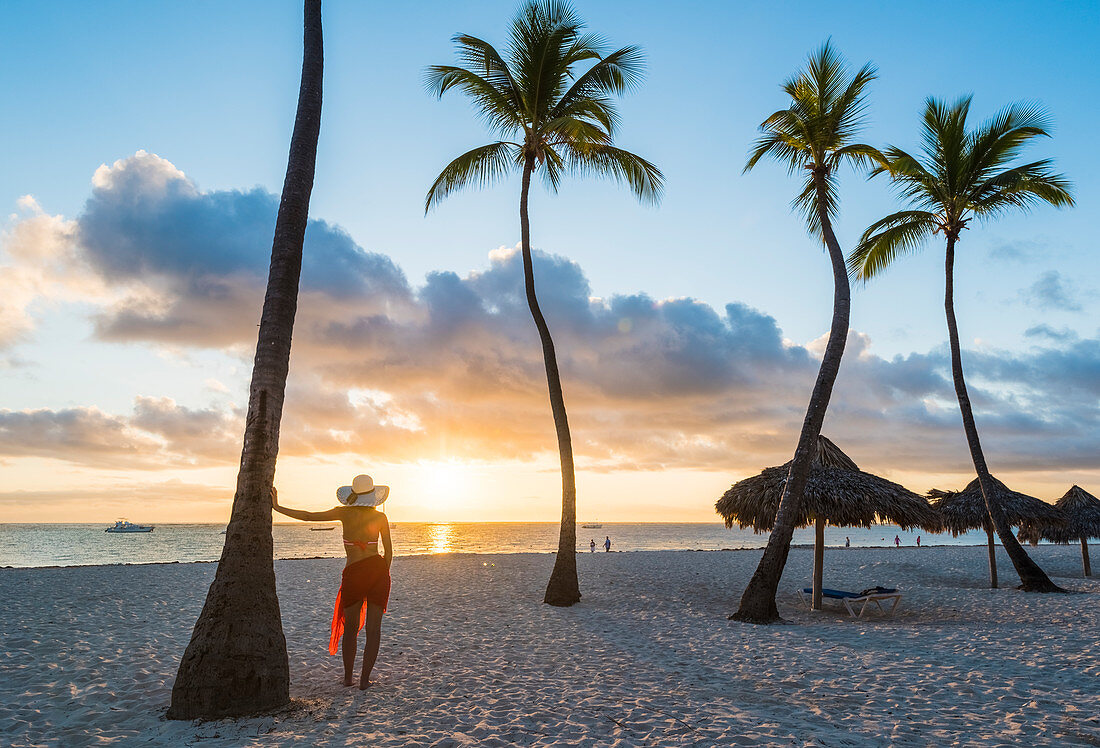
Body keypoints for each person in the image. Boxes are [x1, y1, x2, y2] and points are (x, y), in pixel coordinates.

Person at [272, 474, 392, 690]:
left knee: (351, 628)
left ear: (353, 494)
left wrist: (278, 508)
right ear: (373, 496)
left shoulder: (343, 513)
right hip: (378, 572)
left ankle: (348, 679)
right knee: (374, 631)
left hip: (354, 573)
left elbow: (308, 516)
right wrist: (384, 574)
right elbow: (389, 552)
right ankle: (364, 681)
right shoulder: (380, 518)